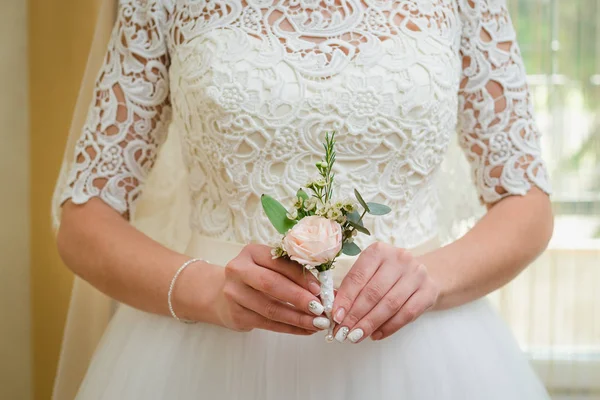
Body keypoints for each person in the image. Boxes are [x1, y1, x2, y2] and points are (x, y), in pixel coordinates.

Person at [53, 0, 554, 398]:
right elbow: (85, 220)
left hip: (420, 353)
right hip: (207, 352)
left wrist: (431, 279)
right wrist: (208, 291)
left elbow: (526, 202)